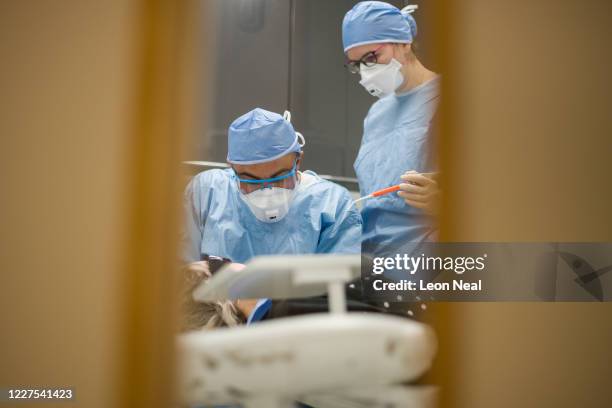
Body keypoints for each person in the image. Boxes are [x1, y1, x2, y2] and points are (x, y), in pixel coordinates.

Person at [342, 1, 441, 257]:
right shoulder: (376, 114)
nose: (366, 71)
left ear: (404, 42)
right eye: (357, 64)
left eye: (372, 58)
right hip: (374, 261)